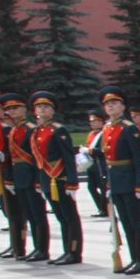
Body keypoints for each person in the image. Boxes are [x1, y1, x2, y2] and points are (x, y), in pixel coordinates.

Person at [100, 89, 140, 275]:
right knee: (126, 223)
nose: (111, 106)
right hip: (116, 181)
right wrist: (108, 184)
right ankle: (133, 258)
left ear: (123, 107)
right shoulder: (107, 128)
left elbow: (138, 158)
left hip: (129, 180)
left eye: (115, 103)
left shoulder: (129, 128)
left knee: (136, 223)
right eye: (107, 104)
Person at [30, 92, 84, 266]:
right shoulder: (37, 131)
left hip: (60, 178)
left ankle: (74, 251)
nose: (42, 109)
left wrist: (72, 182)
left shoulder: (58, 130)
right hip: (47, 178)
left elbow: (68, 157)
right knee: (61, 217)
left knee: (69, 217)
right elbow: (39, 160)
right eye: (39, 107)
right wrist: (39, 181)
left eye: (46, 106)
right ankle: (66, 250)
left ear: (52, 110)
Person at [2, 93, 49, 262]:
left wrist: (38, 180)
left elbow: (37, 157)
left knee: (38, 214)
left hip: (31, 176)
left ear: (24, 109)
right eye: (9, 109)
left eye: (15, 108)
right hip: (19, 176)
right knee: (28, 214)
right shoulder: (14, 130)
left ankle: (41, 249)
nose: (12, 111)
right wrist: (9, 178)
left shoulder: (31, 129)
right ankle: (33, 248)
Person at [81, 109, 110, 217]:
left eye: (95, 121)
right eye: (91, 121)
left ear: (101, 121)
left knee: (103, 188)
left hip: (100, 165)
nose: (92, 123)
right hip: (91, 165)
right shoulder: (91, 134)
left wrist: (90, 150)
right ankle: (100, 207)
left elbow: (104, 149)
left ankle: (105, 209)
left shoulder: (103, 133)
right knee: (91, 187)